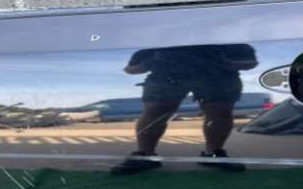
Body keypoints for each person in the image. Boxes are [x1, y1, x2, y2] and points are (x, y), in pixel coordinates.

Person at [111, 44, 258, 175]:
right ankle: (145, 155)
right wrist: (149, 64)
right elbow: (130, 69)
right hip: (166, 74)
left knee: (220, 111)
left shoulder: (228, 40)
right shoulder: (156, 42)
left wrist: (228, 63)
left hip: (217, 74)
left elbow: (251, 62)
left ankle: (213, 155)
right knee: (155, 109)